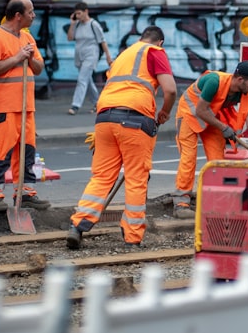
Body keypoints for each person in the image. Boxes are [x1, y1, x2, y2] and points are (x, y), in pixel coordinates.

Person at [66, 26, 177, 249]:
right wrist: (164, 111)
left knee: (101, 177)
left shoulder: (122, 55)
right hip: (135, 119)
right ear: (160, 42)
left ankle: (77, 226)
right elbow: (171, 90)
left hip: (105, 117)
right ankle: (132, 237)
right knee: (136, 179)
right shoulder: (154, 52)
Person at [0, 0, 51, 212]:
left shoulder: (27, 37)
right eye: (30, 12)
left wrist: (28, 58)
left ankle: (26, 192)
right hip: (3, 106)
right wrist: (17, 57)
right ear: (18, 15)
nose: (34, 15)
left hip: (26, 107)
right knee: (0, 151)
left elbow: (38, 68)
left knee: (27, 152)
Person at [171, 61, 248, 219]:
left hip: (212, 116)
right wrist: (223, 128)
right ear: (239, 80)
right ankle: (181, 204)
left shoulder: (246, 94)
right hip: (189, 114)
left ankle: (214, 201)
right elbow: (201, 110)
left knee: (217, 161)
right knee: (188, 158)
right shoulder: (214, 81)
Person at [66, 2, 112, 115]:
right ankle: (98, 102)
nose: (78, 16)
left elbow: (102, 41)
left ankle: (75, 105)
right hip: (79, 56)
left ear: (86, 11)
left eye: (79, 13)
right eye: (76, 14)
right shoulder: (77, 24)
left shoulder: (93, 25)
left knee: (82, 79)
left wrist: (108, 56)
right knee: (87, 80)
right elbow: (70, 38)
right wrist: (72, 24)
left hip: (91, 55)